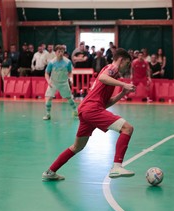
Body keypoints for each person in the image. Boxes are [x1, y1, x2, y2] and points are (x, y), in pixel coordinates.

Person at [42, 48, 136, 181]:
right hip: (92, 109)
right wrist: (124, 84)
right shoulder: (112, 69)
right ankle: (117, 166)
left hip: (87, 109)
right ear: (121, 60)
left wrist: (122, 93)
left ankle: (50, 172)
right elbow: (103, 78)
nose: (128, 66)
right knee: (127, 128)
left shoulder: (111, 74)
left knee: (77, 147)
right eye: (127, 63)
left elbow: (105, 104)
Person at [42, 45, 77, 120]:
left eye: (62, 51)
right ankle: (48, 114)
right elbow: (46, 73)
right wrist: (48, 81)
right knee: (48, 98)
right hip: (53, 82)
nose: (60, 53)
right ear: (55, 52)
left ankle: (75, 111)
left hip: (64, 83)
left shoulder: (68, 62)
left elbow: (70, 72)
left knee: (69, 98)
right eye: (59, 51)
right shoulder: (51, 62)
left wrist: (70, 78)